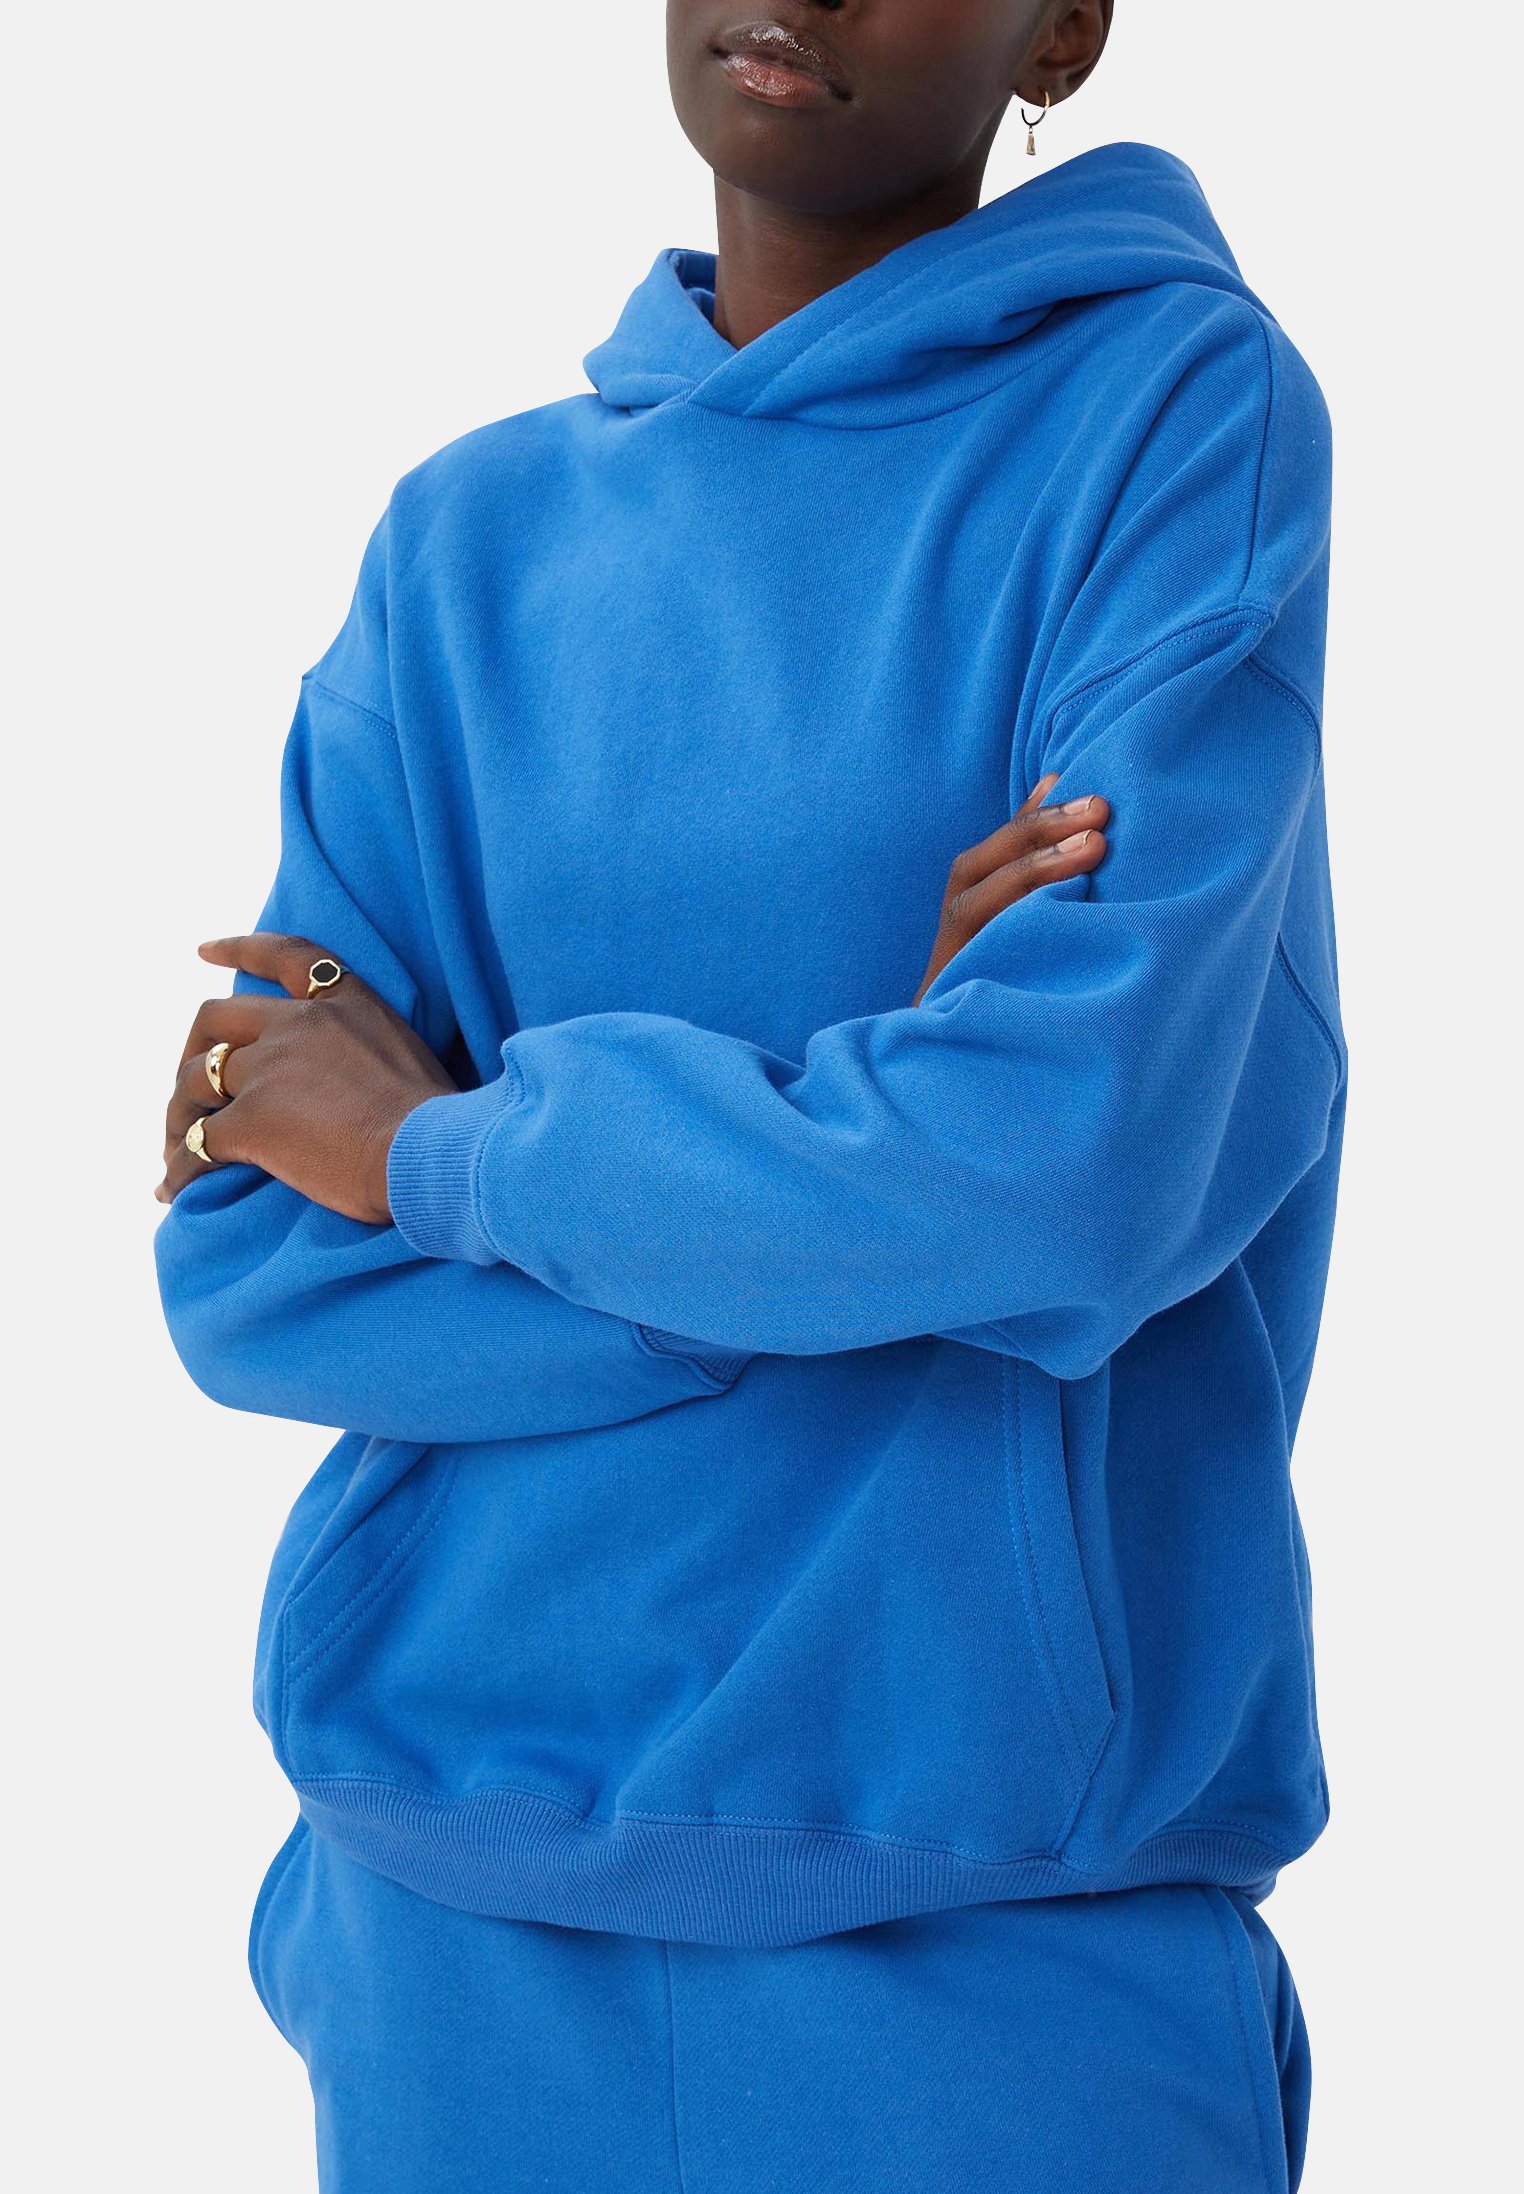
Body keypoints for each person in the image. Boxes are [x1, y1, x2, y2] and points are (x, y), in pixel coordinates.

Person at [154, 3, 1346, 2187]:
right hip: (443, 1928)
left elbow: (1064, 1166)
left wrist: (436, 1148)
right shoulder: (463, 544)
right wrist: (856, 1179)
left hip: (1001, 1951)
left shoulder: (1175, 418)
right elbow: (247, 1261)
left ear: (1064, 27)